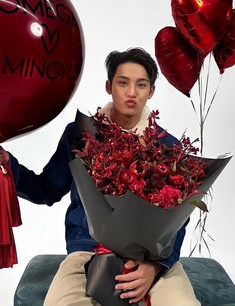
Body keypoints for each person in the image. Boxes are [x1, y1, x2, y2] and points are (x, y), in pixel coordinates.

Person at [0, 48, 200, 306]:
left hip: (151, 259)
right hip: (87, 251)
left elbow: (178, 221)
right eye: (123, 82)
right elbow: (47, 188)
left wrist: (156, 266)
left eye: (141, 85)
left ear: (150, 91)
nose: (131, 93)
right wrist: (9, 165)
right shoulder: (81, 135)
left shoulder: (168, 147)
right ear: (109, 86)